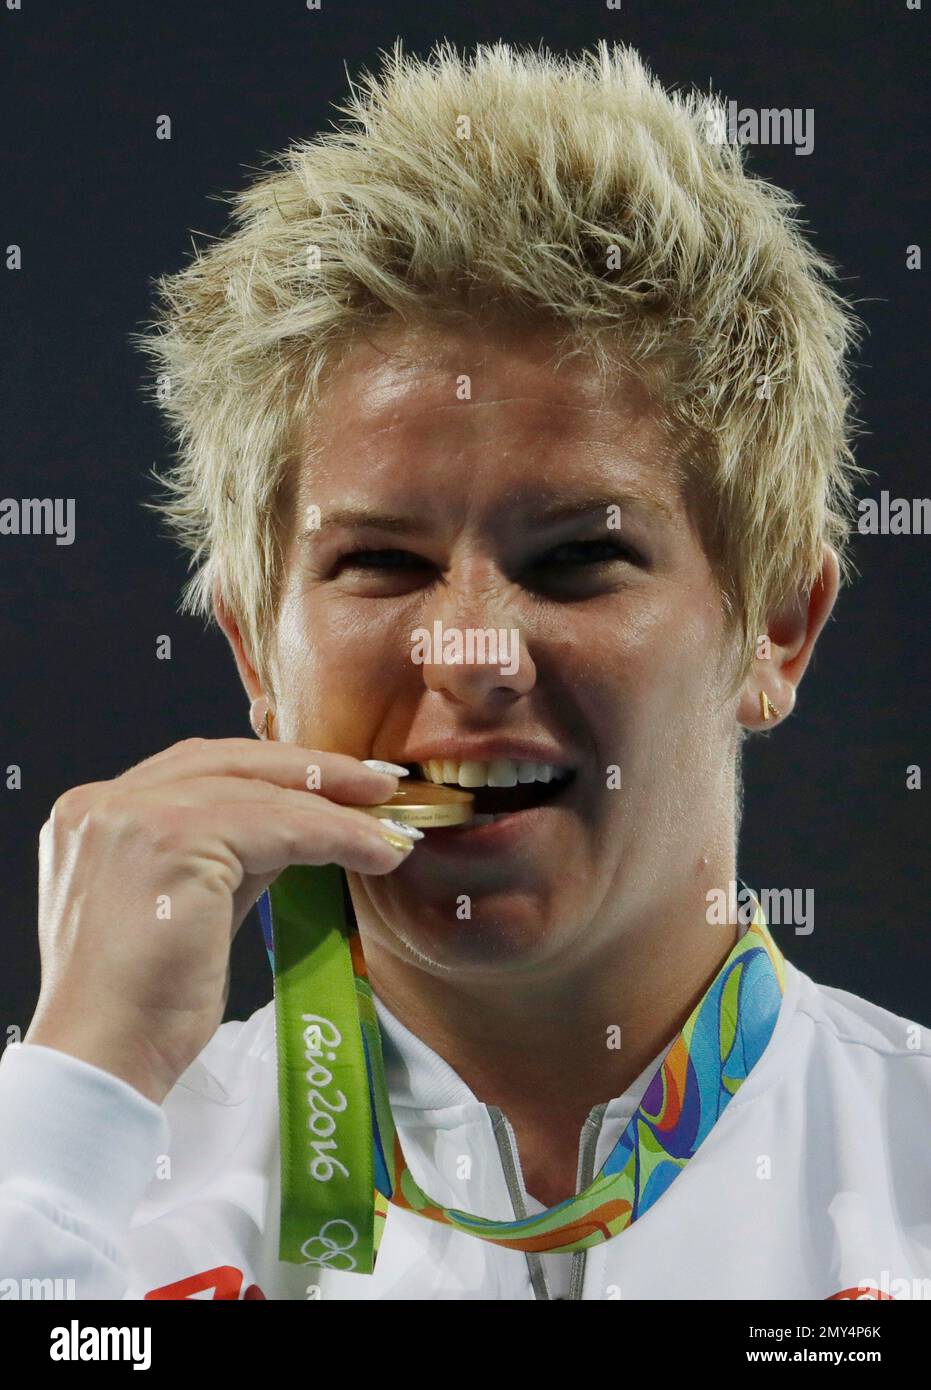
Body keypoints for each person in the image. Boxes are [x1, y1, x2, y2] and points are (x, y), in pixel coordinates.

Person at [1, 38, 928, 1303]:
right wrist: (72, 1099)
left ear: (775, 631)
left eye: (576, 559)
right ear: (249, 654)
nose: (471, 651)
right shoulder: (82, 1173)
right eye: (381, 562)